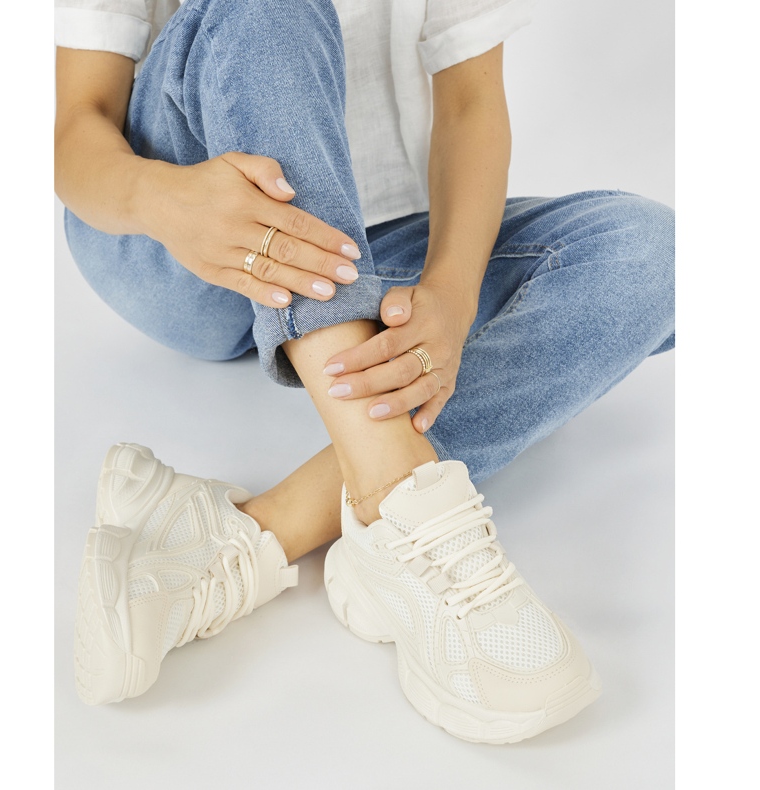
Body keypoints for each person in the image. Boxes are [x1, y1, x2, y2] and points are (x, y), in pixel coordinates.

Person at [55, 0, 674, 744]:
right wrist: (168, 204)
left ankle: (253, 536)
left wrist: (453, 288)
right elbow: (73, 130)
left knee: (657, 255)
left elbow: (472, 102)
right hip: (171, 243)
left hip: (374, 251)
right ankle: (403, 503)